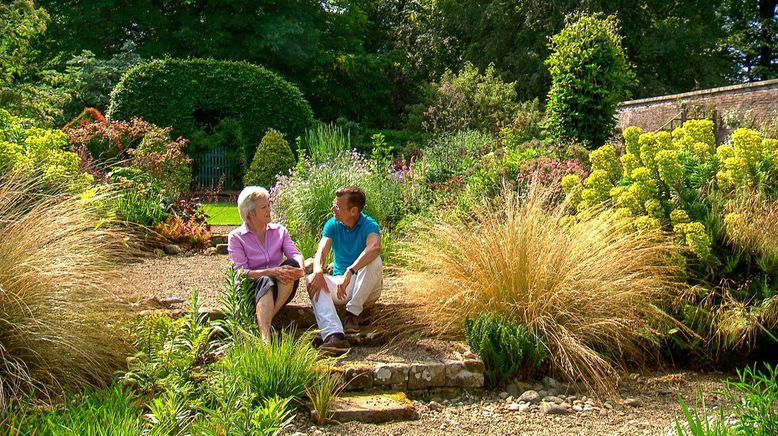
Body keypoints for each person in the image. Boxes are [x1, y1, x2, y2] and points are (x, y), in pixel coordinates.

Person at [307, 186, 383, 355]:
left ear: (353, 210)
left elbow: (374, 247)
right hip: (342, 287)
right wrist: (319, 269)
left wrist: (350, 271)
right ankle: (335, 336)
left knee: (374, 260)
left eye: (338, 206)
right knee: (312, 278)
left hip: (367, 289)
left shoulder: (369, 224)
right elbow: (322, 250)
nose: (333, 209)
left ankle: (352, 314)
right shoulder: (333, 224)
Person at [228, 186, 305, 342]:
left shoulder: (280, 231)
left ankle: (263, 323)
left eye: (269, 205)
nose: (269, 210)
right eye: (264, 207)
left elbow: (295, 255)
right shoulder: (236, 237)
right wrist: (271, 272)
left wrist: (300, 268)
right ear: (249, 214)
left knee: (291, 265)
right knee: (266, 280)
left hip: (281, 287)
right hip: (251, 289)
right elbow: (241, 273)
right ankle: (265, 337)